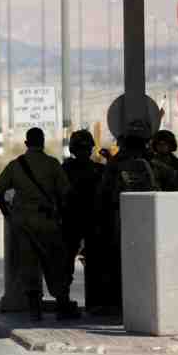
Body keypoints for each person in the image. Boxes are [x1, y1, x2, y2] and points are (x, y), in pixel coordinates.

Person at [0, 127, 79, 322]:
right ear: (43, 142)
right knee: (55, 262)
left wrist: (8, 214)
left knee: (28, 264)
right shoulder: (52, 164)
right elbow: (66, 194)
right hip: (47, 222)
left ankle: (34, 310)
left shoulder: (15, 165)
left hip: (23, 224)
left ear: (26, 143)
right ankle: (62, 305)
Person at [94, 119, 176, 315]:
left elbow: (102, 195)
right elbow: (175, 190)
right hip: (153, 221)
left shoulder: (116, 165)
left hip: (120, 220)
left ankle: (121, 306)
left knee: (119, 263)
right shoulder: (156, 164)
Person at [62, 130, 105, 309]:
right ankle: (67, 300)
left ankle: (65, 301)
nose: (83, 152)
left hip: (82, 222)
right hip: (79, 221)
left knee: (87, 264)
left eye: (84, 148)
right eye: (82, 148)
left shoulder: (66, 170)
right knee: (70, 264)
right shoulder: (98, 170)